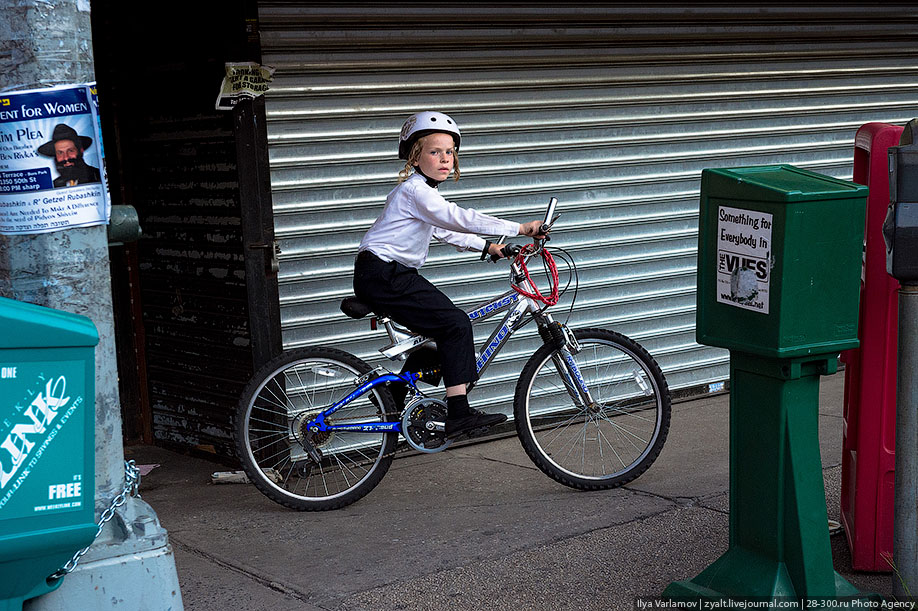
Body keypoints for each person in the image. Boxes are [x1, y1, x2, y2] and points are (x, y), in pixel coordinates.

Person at [353, 111, 547, 439]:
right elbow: (456, 218)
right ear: (415, 157)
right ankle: (458, 413)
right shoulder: (416, 191)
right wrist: (520, 228)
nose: (445, 158)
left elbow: (446, 231)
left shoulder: (421, 195)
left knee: (434, 346)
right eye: (434, 151)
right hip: (384, 274)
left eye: (450, 152)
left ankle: (393, 402)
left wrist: (488, 247)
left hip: (387, 274)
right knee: (455, 324)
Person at [37, 123, 101, 188]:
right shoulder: (54, 185)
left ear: (81, 151)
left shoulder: (99, 176)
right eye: (60, 153)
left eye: (70, 151)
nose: (66, 157)